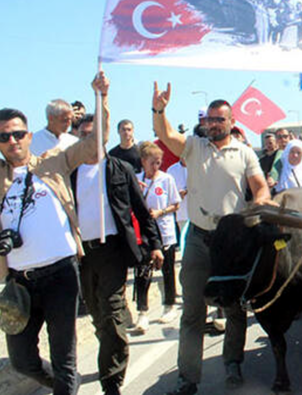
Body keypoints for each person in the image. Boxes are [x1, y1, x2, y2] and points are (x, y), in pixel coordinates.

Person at [152, 83, 272, 395]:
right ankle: (187, 378)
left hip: (231, 243)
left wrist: (260, 203)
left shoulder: (245, 152)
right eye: (210, 119)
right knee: (193, 312)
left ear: (232, 122)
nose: (214, 124)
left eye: (220, 119)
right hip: (198, 240)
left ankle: (232, 362)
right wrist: (159, 110)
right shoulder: (194, 147)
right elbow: (166, 134)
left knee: (234, 308)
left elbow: (260, 187)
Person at [0, 72, 109, 394]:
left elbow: (94, 145)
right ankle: (64, 385)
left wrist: (101, 98)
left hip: (61, 274)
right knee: (22, 361)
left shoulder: (54, 162)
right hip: (19, 281)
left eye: (17, 134)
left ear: (29, 136)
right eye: (4, 137)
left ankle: (65, 384)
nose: (12, 141)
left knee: (65, 358)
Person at [72, 115, 163, 395]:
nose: (89, 140)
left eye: (94, 134)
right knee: (97, 314)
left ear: (104, 136)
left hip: (112, 250)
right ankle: (113, 348)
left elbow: (140, 209)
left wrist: (155, 244)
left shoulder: (119, 169)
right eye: (84, 135)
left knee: (111, 313)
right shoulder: (70, 173)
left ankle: (111, 381)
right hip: (81, 254)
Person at [134, 141, 181, 333]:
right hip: (144, 232)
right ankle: (142, 311)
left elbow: (176, 204)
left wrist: (161, 212)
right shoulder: (136, 179)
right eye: (152, 162)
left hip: (164, 229)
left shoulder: (166, 179)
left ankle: (169, 305)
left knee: (167, 269)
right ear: (143, 161)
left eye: (158, 162)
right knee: (143, 271)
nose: (155, 166)